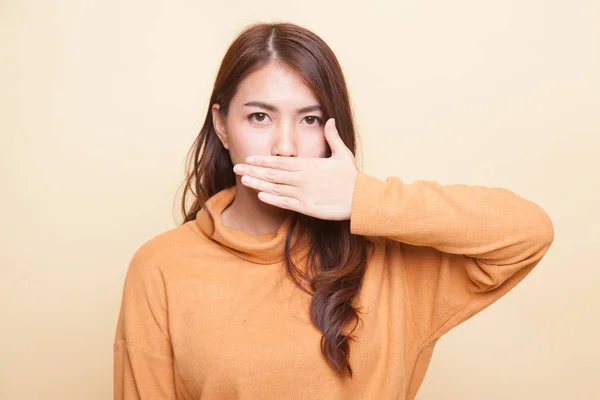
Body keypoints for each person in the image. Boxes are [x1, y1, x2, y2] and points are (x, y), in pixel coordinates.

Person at [113, 22, 554, 400]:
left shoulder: (387, 260)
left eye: (308, 120)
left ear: (331, 132)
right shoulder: (162, 267)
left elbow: (529, 231)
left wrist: (362, 197)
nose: (285, 148)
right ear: (222, 126)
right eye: (259, 117)